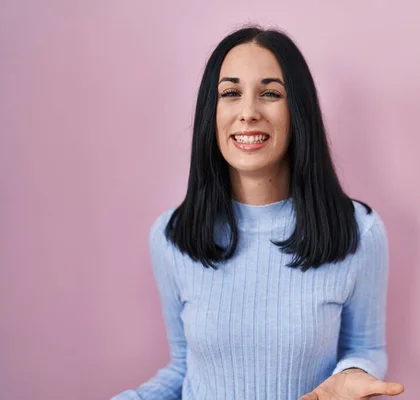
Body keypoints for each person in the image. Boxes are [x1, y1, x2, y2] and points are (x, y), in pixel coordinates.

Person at [112, 25, 404, 400]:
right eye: (231, 93)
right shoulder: (171, 235)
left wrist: (353, 373)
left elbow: (365, 347)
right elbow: (185, 368)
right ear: (211, 112)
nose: (248, 113)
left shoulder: (359, 232)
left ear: (297, 111)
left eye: (269, 93)